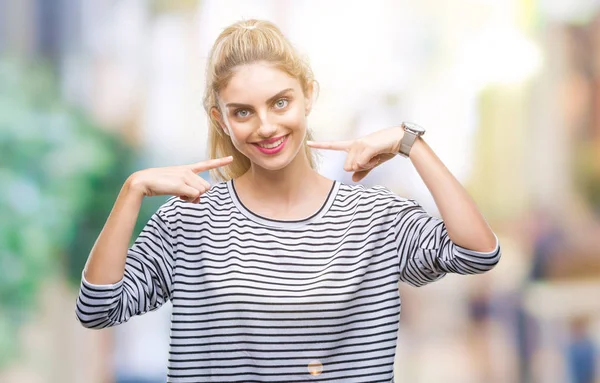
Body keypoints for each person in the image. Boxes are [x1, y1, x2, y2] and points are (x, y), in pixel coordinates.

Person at [75, 19, 501, 382]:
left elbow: (479, 253)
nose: (266, 126)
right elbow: (98, 309)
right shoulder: (190, 220)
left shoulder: (374, 217)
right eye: (243, 112)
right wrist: (132, 190)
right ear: (220, 117)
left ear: (308, 95)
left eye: (280, 102)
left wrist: (411, 143)